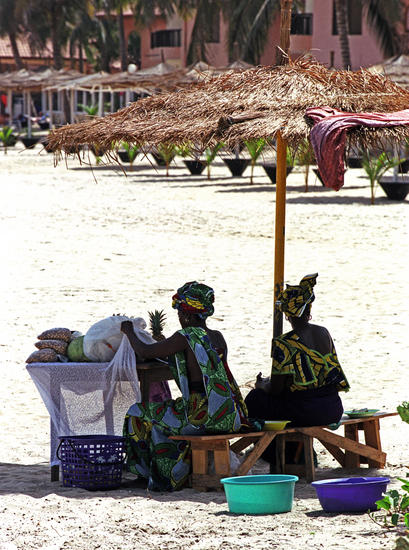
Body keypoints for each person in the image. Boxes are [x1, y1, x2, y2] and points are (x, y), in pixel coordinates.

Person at [121, 281, 255, 491]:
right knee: (162, 413)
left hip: (199, 415)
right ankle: (170, 468)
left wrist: (128, 331)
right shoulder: (217, 336)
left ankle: (145, 474)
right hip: (228, 412)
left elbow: (146, 352)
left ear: (186, 315)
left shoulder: (186, 336)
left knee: (137, 413)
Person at [245, 273, 350, 463]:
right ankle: (295, 453)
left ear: (287, 313)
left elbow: (276, 389)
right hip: (332, 406)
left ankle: (277, 454)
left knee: (255, 399)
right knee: (280, 402)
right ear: (308, 307)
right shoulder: (323, 333)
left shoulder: (284, 343)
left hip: (306, 411)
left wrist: (262, 385)